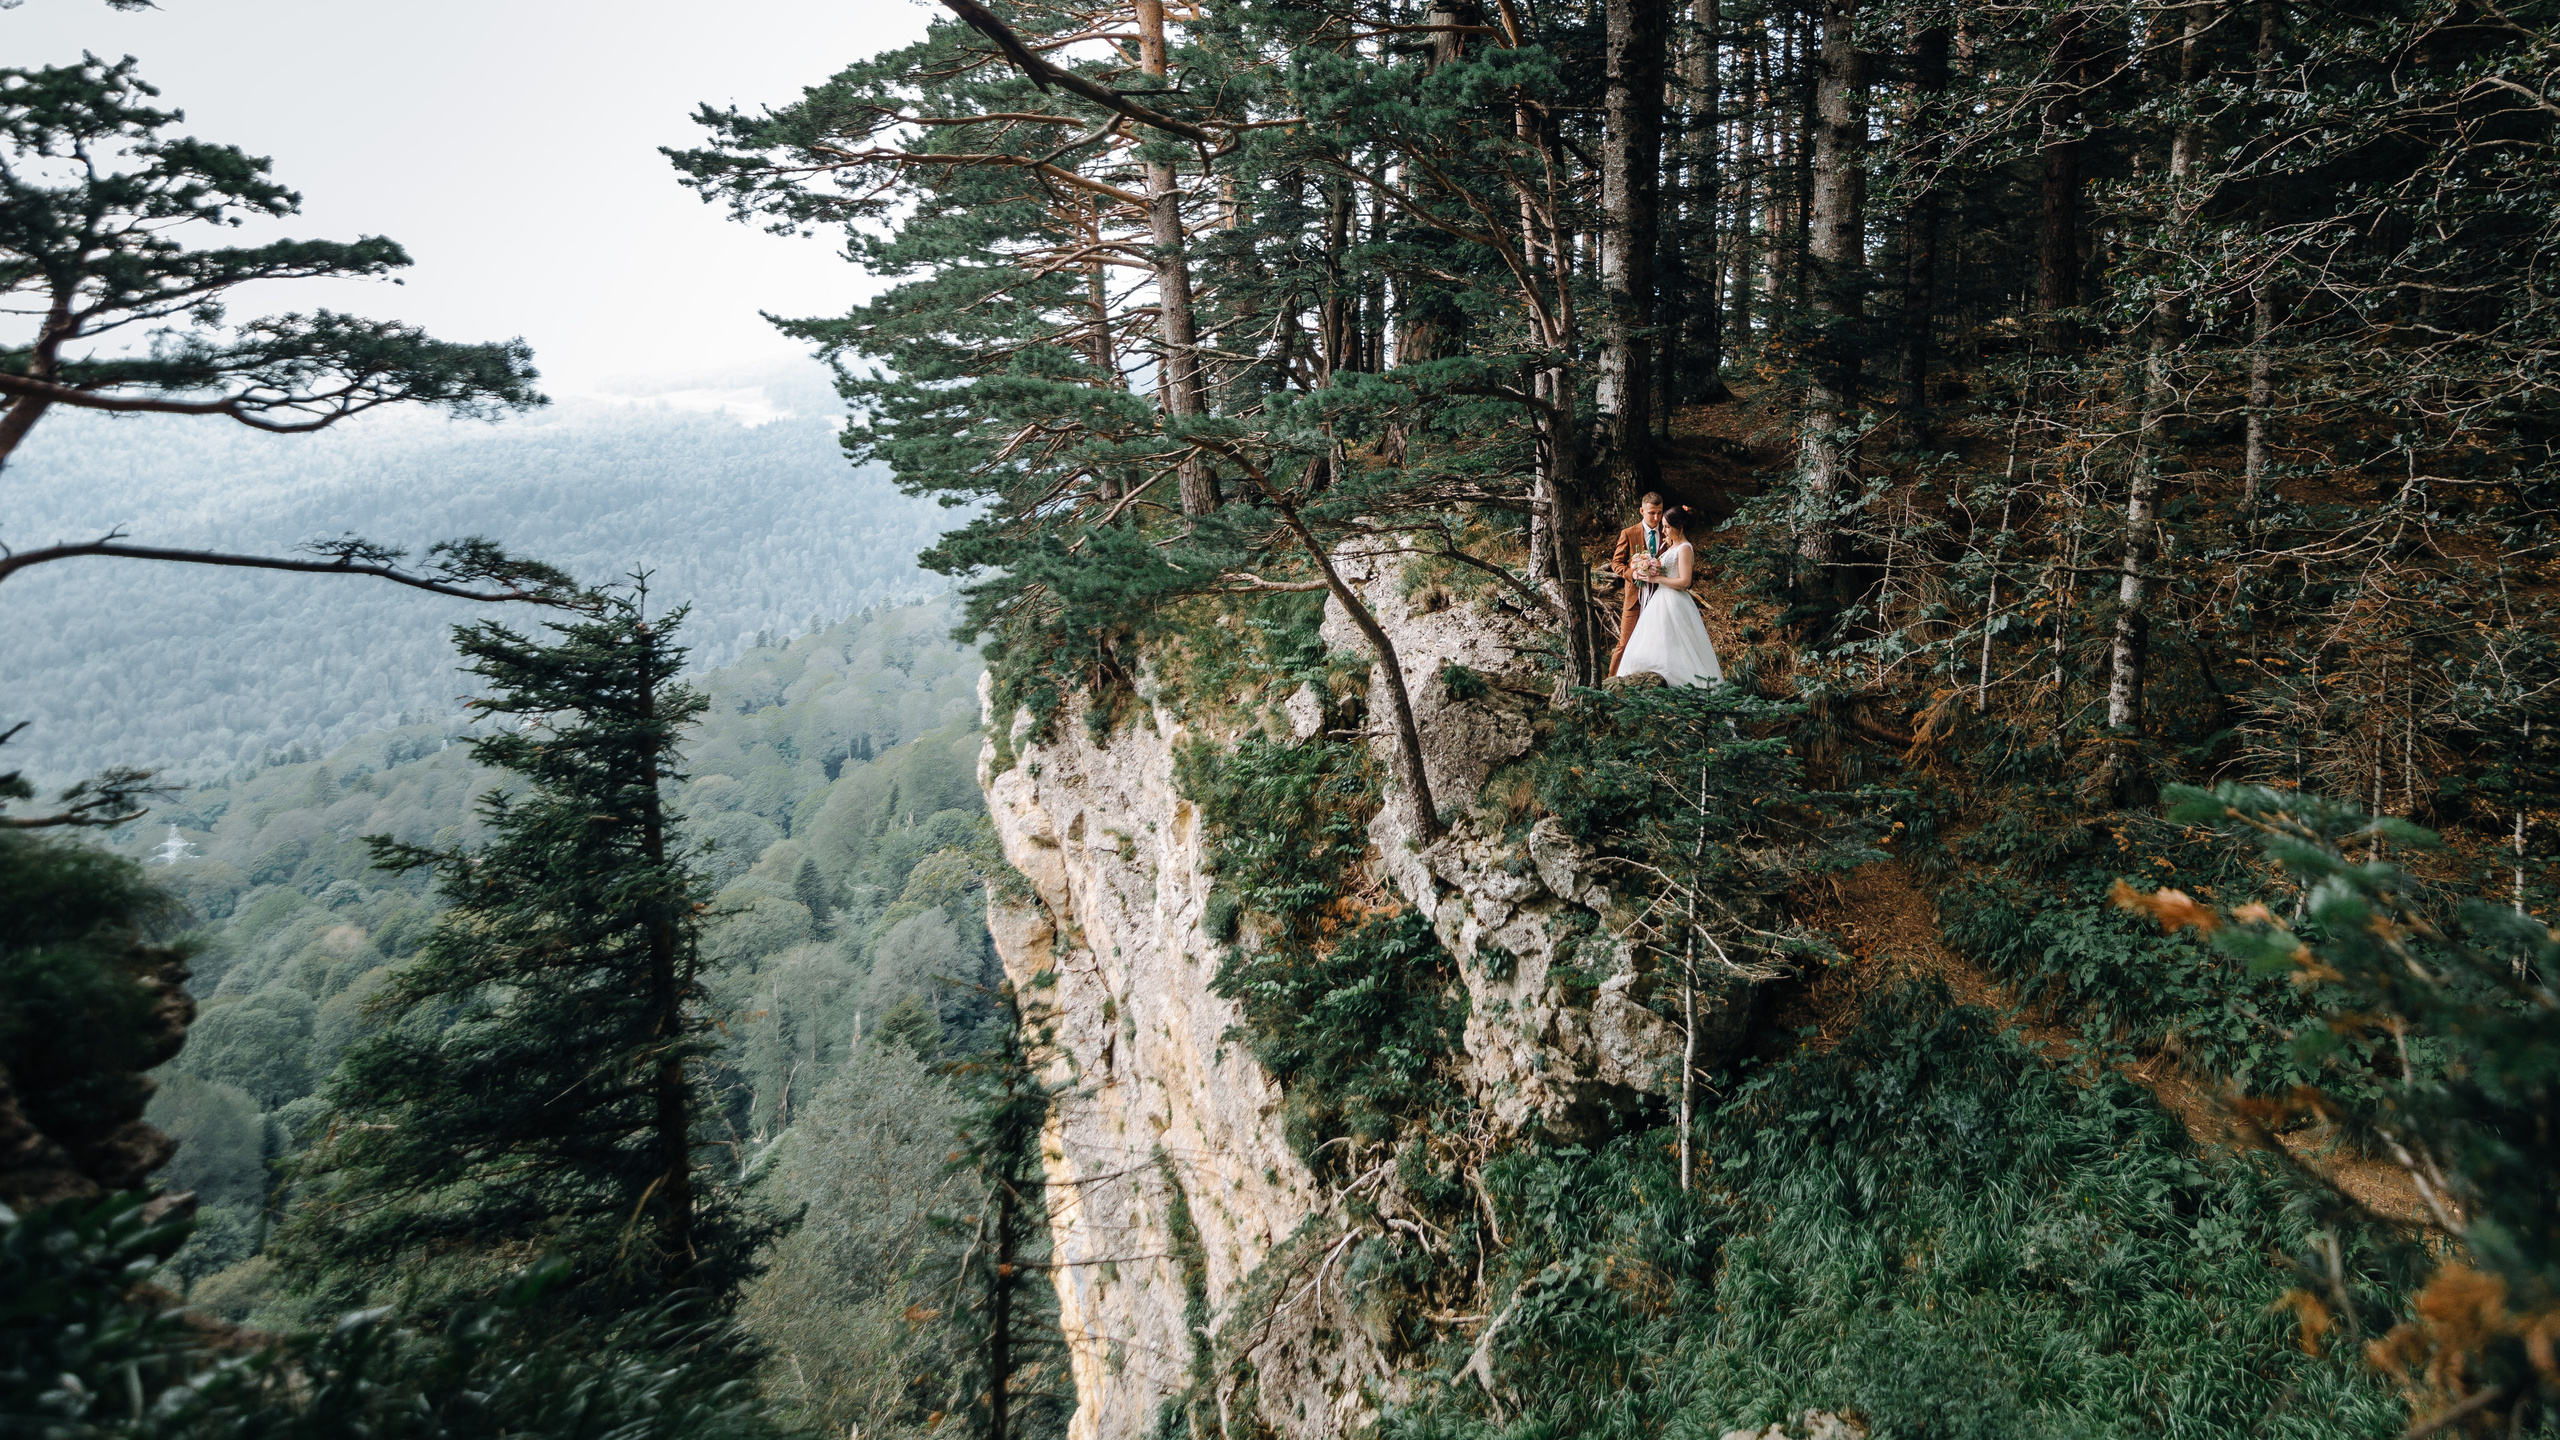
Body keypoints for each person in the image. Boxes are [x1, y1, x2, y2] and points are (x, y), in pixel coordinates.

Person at [1612, 503, 1723, 687]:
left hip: (1674, 602)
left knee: (1677, 647)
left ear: (1679, 528)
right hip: (1660, 600)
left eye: (1667, 527)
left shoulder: (1684, 548)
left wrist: (1657, 579)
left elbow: (1685, 582)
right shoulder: (1670, 547)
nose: (1663, 530)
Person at [1609, 493, 1683, 675]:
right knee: (1625, 642)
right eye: (1651, 513)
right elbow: (1616, 563)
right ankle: (1609, 682)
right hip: (1635, 598)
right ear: (1642, 511)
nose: (1656, 518)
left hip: (1660, 597)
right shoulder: (1628, 533)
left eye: (1659, 513)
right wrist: (1632, 573)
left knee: (1657, 642)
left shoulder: (1668, 533)